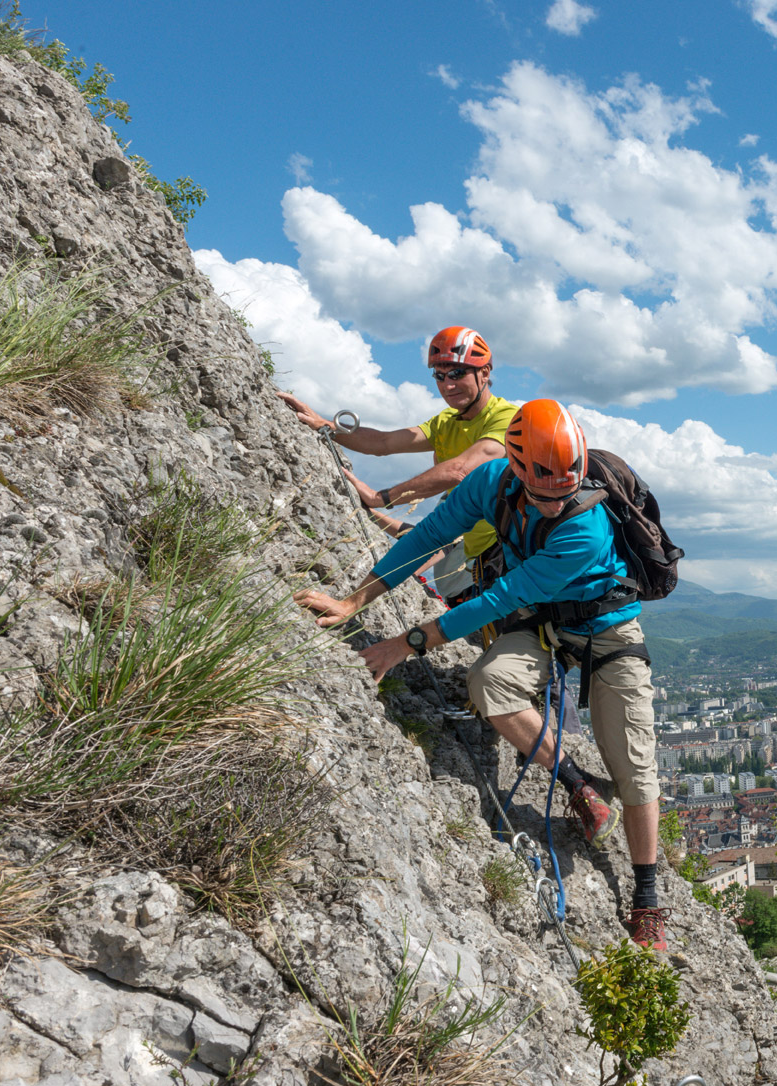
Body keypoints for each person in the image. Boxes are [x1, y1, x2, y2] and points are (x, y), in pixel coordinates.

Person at [294, 399, 668, 950]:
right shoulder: (490, 483)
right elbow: (424, 539)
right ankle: (577, 784)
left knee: (635, 766)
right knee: (487, 683)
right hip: (540, 622)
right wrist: (354, 602)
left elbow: (496, 598)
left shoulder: (583, 526)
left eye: (563, 494)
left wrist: (404, 645)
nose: (551, 506)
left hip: (606, 628)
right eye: (542, 496)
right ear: (516, 470)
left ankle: (648, 899)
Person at [277, 326, 517, 597]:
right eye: (440, 375)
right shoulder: (445, 423)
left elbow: (459, 470)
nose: (448, 385)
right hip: (478, 557)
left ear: (485, 372)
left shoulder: (507, 418)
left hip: (509, 554)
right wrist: (325, 424)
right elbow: (383, 443)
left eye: (458, 373)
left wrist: (381, 497)